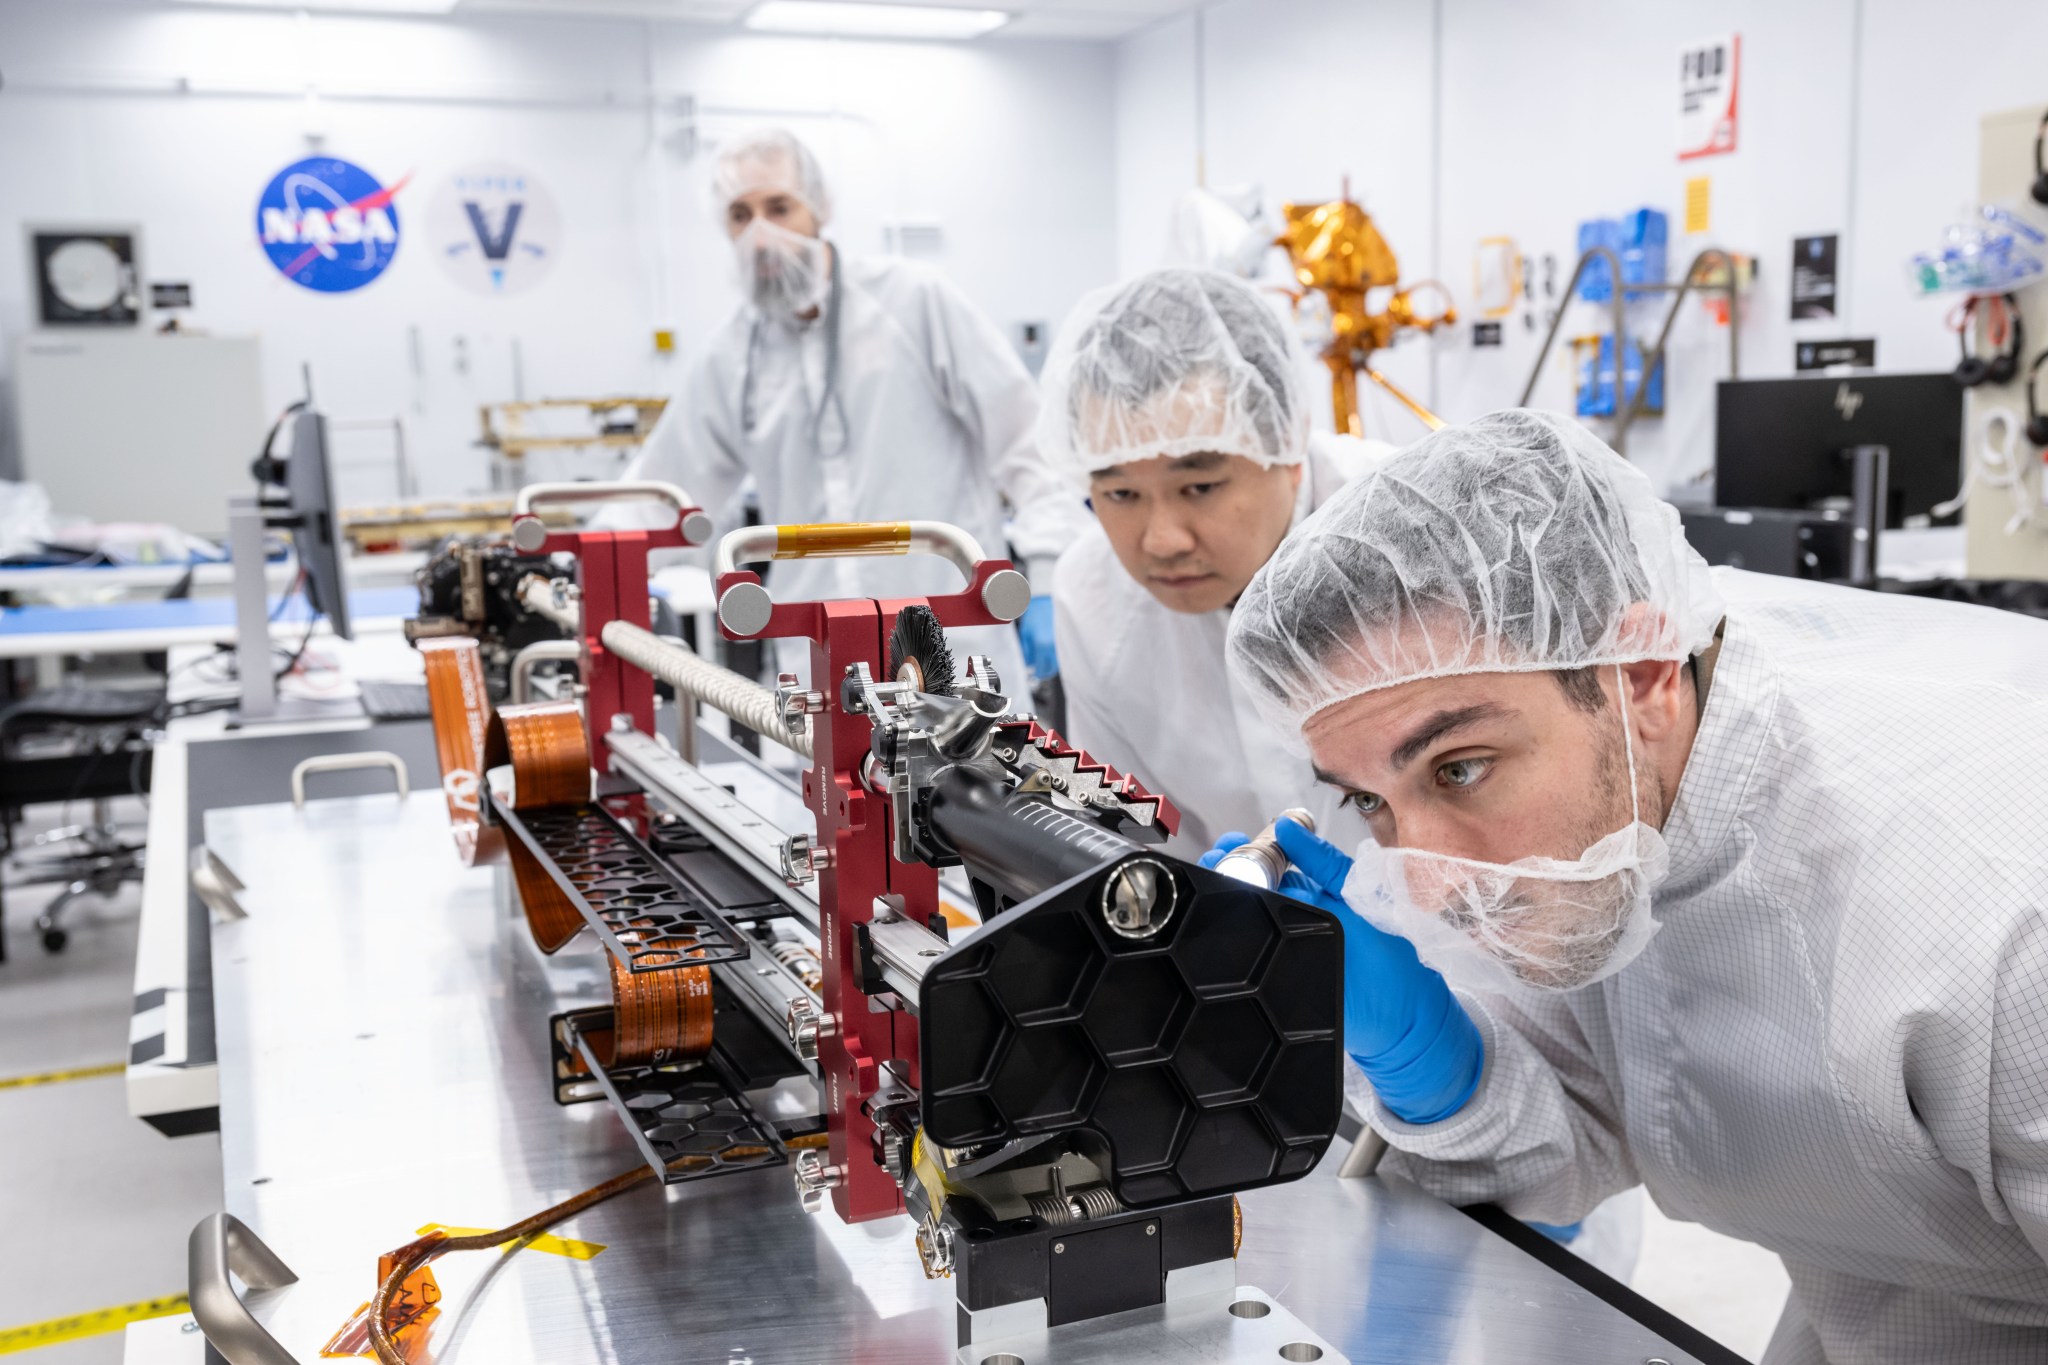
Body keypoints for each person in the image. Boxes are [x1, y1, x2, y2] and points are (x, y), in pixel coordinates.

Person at [1216, 409, 2048, 1364]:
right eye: (1370, 797)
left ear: (1645, 674)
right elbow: (1583, 1127)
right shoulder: (1612, 798)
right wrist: (1438, 1070)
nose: (1431, 878)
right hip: (1888, 1301)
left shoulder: (1997, 907)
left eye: (1458, 767)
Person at [619, 128, 1082, 687]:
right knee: (833, 779)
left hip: (954, 646)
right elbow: (665, 492)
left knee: (977, 775)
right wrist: (595, 566)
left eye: (779, 207)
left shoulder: (912, 303)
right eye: (741, 216)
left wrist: (1051, 576)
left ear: (820, 207)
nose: (760, 236)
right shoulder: (730, 357)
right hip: (820, 662)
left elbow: (1029, 444)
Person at [1034, 267, 1386, 856]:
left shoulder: (1413, 536)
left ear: (1289, 446)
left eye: (1199, 486)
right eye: (1121, 494)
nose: (1162, 540)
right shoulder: (1092, 597)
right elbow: (1132, 843)